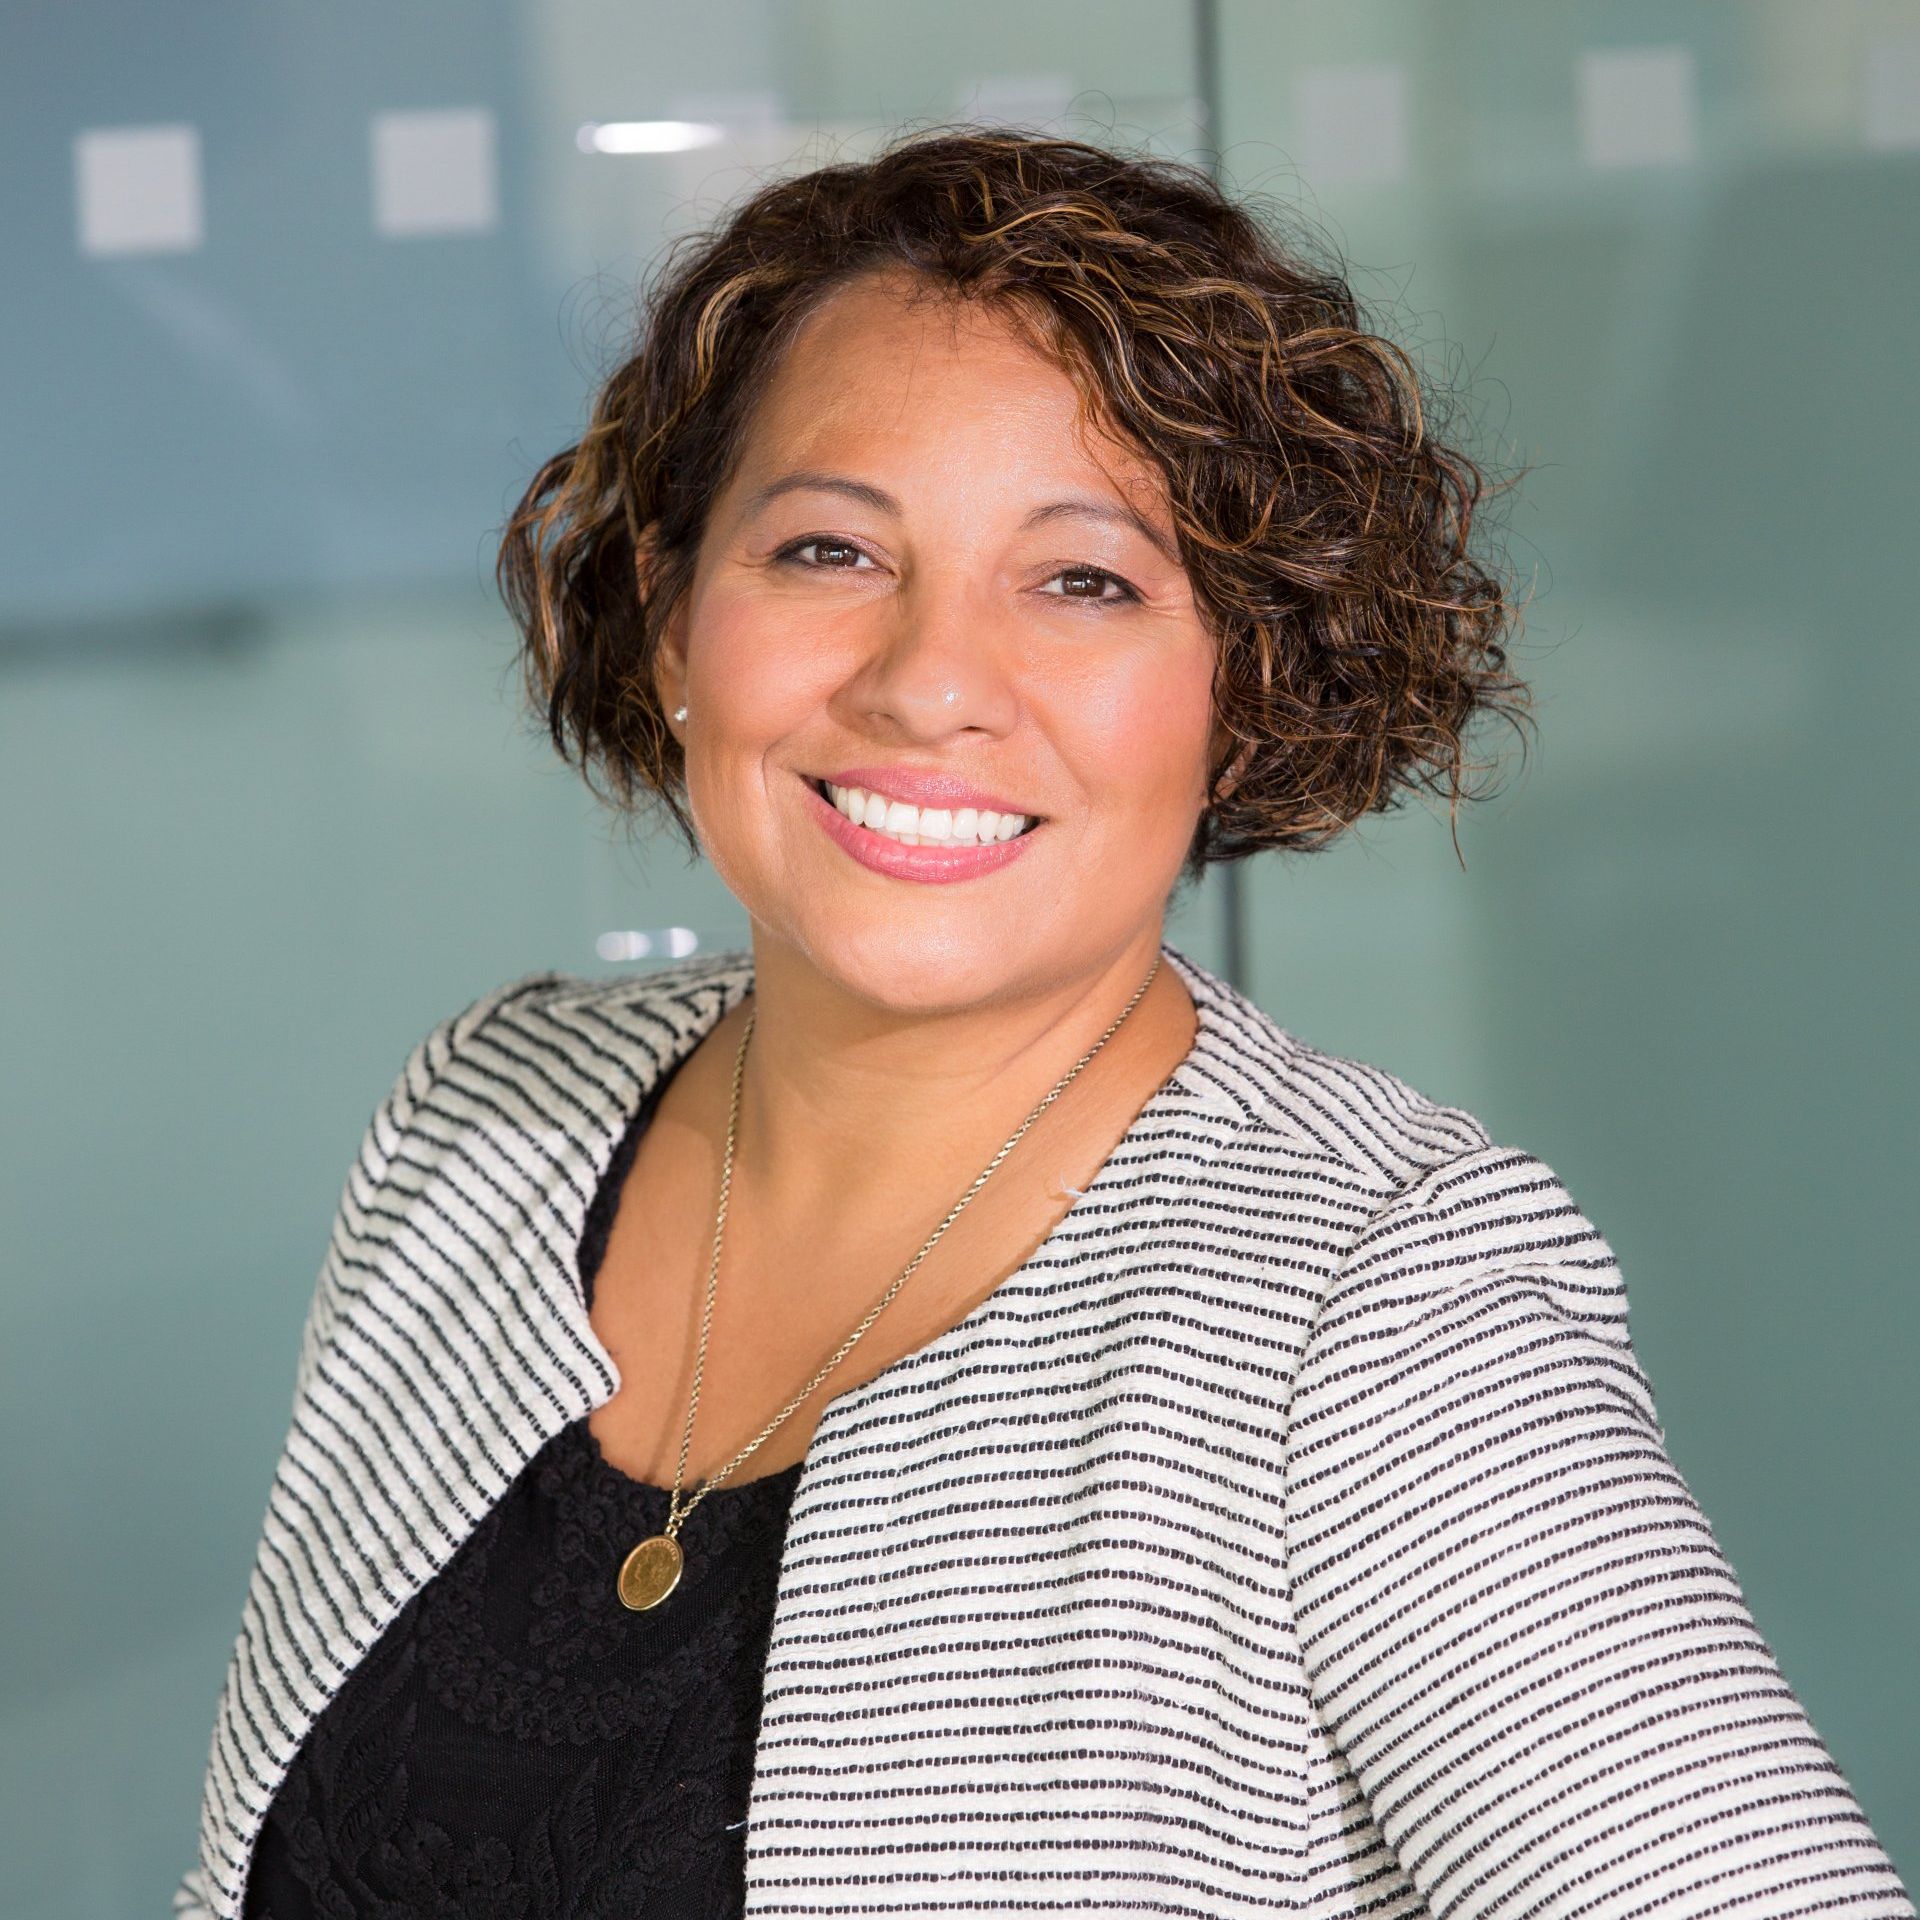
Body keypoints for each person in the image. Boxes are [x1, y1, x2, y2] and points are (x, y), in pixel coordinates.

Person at [178, 129, 1913, 1920]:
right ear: (674, 617)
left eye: (1084, 580)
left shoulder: (1377, 1309)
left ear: (1244, 687)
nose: (931, 680)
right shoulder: (486, 1120)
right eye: (831, 548)